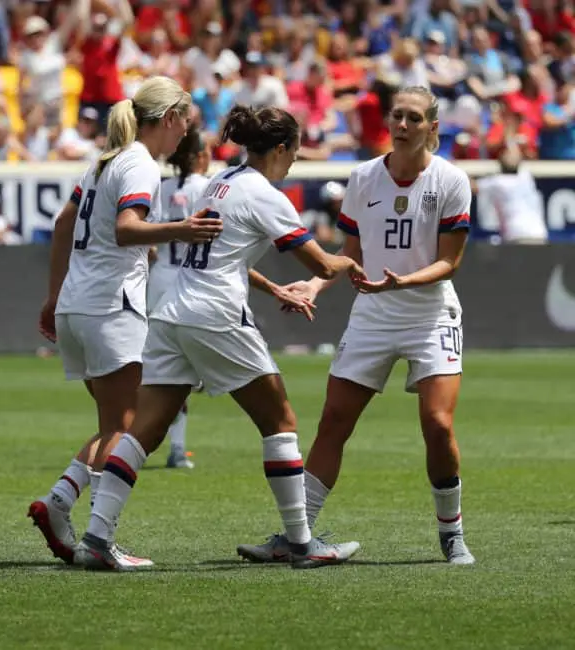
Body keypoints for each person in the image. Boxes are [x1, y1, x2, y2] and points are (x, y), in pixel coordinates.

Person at [74, 105, 364, 571]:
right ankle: (302, 545)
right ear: (282, 148)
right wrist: (349, 262)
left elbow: (219, 251)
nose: (295, 160)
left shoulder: (221, 181)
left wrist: (271, 288)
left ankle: (95, 537)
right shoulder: (265, 194)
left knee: (141, 431)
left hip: (172, 313)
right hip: (216, 313)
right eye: (295, 150)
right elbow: (324, 266)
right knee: (281, 422)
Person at [236, 86, 477, 566]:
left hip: (429, 314)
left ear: (432, 127)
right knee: (334, 422)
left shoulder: (452, 180)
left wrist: (404, 281)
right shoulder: (364, 177)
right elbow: (351, 254)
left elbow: (450, 263)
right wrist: (314, 286)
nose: (402, 126)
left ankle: (452, 533)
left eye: (413, 118)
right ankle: (296, 534)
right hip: (372, 313)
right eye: (396, 117)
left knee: (437, 423)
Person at [28, 76, 224, 566]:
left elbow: (62, 224)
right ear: (169, 118)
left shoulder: (104, 162)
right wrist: (185, 228)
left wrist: (55, 295)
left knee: (113, 424)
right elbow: (127, 229)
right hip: (110, 307)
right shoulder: (138, 163)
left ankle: (59, 505)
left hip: (79, 305)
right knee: (127, 426)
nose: (186, 133)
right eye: (185, 120)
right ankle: (95, 538)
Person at [149, 127, 213, 470]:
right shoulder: (207, 189)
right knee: (184, 369)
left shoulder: (160, 188)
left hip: (158, 284)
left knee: (165, 368)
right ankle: (204, 369)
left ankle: (174, 445)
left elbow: (147, 244)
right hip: (192, 283)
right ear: (202, 156)